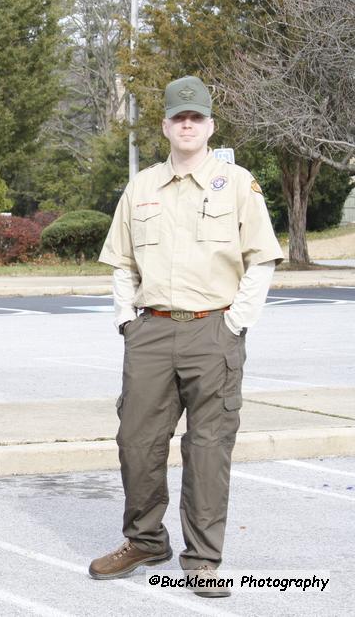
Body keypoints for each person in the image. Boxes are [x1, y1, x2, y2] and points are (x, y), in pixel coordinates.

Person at [90, 76, 283, 597]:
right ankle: (145, 541)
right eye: (179, 118)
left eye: (197, 117)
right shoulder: (142, 186)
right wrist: (126, 321)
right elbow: (122, 262)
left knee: (208, 448)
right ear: (166, 126)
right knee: (136, 442)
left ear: (210, 125)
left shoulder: (238, 184)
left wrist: (236, 322)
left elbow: (261, 260)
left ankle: (202, 558)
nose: (188, 124)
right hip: (150, 331)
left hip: (212, 331)